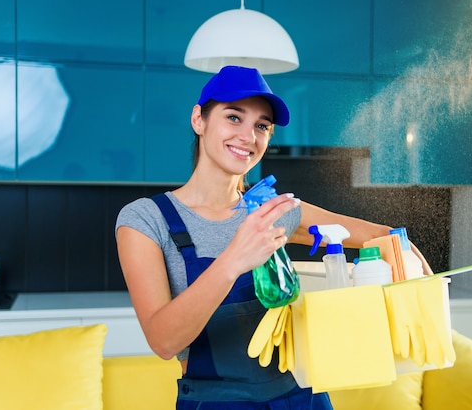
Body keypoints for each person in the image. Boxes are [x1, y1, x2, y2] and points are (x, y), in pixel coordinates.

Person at [115, 65, 432, 409]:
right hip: (218, 403)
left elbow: (383, 237)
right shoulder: (146, 219)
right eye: (234, 117)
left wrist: (415, 273)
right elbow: (163, 341)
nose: (249, 137)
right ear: (199, 120)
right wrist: (234, 259)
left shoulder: (275, 210)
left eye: (261, 126)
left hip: (300, 398)